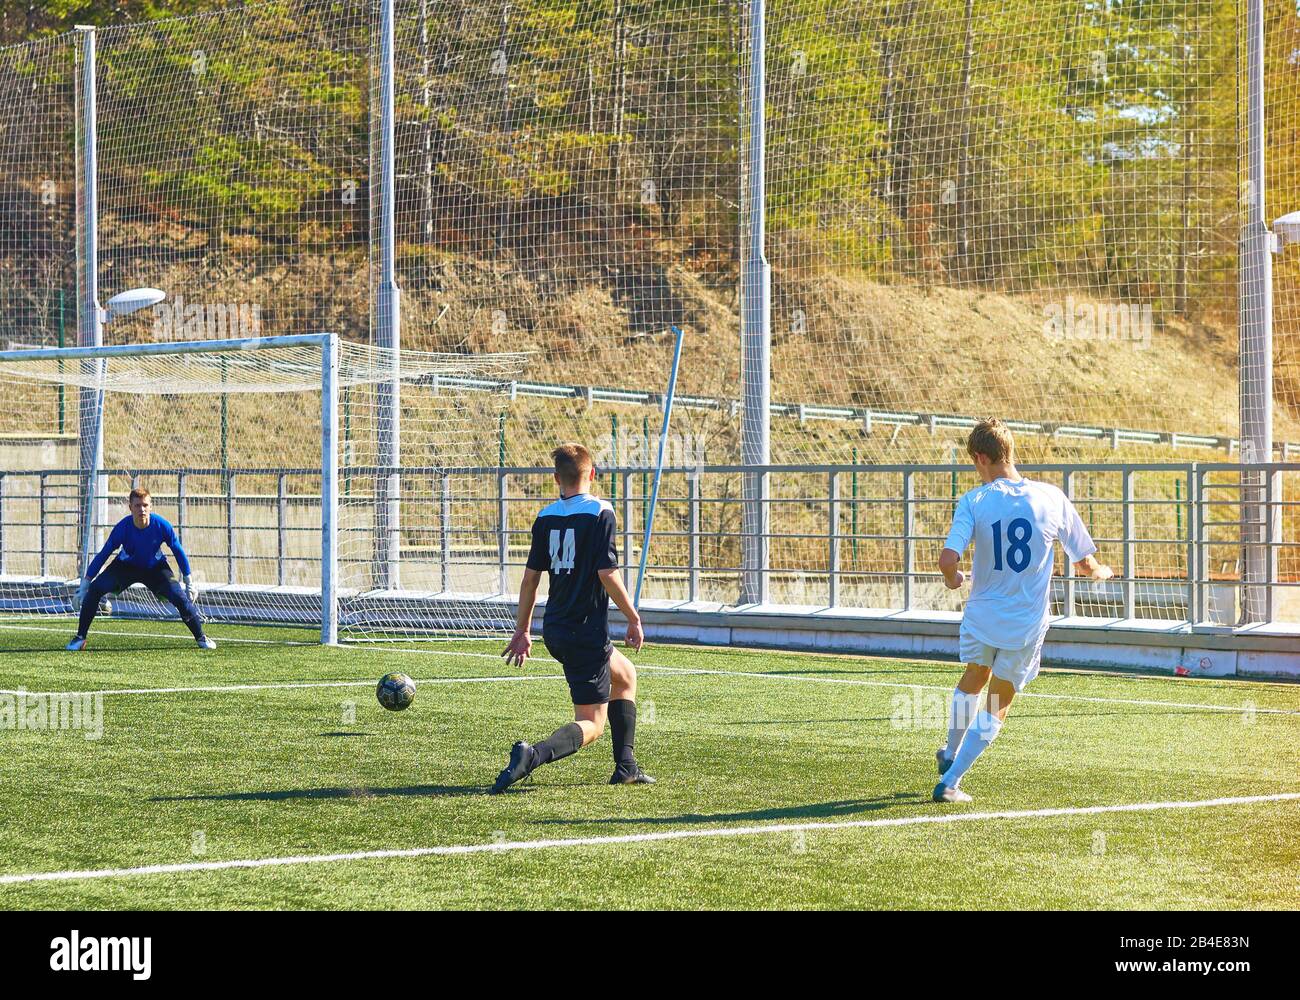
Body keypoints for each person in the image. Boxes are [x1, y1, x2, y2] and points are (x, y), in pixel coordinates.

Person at [933, 419, 1111, 802]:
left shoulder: (975, 500)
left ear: (981, 458)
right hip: (1025, 624)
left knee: (973, 678)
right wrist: (1099, 570)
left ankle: (949, 751)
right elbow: (1083, 559)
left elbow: (948, 558)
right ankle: (951, 783)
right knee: (999, 700)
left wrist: (953, 578)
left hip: (981, 616)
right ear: (1009, 452)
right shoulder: (1050, 497)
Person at [492, 443, 654, 793]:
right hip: (585, 631)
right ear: (592, 474)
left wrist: (522, 630)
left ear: (556, 479)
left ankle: (626, 766)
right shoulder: (601, 511)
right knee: (591, 723)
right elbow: (607, 574)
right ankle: (531, 756)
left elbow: (530, 579)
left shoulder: (545, 516)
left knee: (625, 675)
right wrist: (634, 617)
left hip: (556, 628)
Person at [66, 486, 214, 651]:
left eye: (145, 505)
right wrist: (84, 584)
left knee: (180, 598)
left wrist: (189, 582)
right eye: (137, 505)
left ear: (151, 506)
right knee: (95, 589)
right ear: (130, 508)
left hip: (155, 569)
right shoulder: (122, 528)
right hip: (125, 568)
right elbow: (103, 554)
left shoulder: (162, 525)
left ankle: (201, 637)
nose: (141, 509)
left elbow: (178, 551)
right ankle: (80, 638)